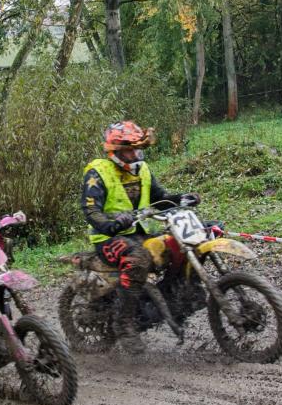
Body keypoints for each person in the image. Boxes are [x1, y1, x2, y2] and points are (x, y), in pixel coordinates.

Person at [80, 121, 199, 353]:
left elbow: (160, 198)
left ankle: (172, 299)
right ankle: (124, 323)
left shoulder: (142, 169)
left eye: (137, 149)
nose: (135, 154)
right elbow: (91, 209)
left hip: (139, 233)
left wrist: (181, 199)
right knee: (138, 259)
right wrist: (111, 224)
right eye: (129, 150)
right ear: (115, 152)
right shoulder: (98, 172)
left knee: (175, 246)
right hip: (108, 238)